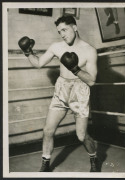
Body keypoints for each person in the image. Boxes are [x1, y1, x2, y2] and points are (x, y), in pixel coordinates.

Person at [18, 15, 98, 172]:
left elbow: (92, 81)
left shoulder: (90, 51)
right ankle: (45, 164)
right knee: (47, 130)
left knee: (81, 136)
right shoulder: (57, 46)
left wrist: (75, 69)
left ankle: (94, 157)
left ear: (74, 27)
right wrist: (28, 52)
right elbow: (39, 64)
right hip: (61, 88)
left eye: (65, 30)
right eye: (59, 31)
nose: (62, 34)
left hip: (79, 90)